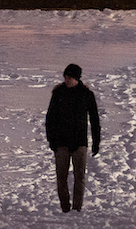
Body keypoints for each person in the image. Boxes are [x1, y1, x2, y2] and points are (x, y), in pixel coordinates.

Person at [44, 63, 102, 213]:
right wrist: (52, 140)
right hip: (61, 143)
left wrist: (96, 142)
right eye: (65, 76)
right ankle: (65, 207)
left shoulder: (86, 95)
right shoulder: (58, 93)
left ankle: (77, 208)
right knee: (61, 177)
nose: (66, 79)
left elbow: (94, 120)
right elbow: (50, 118)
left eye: (69, 77)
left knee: (79, 177)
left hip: (80, 143)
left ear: (76, 78)